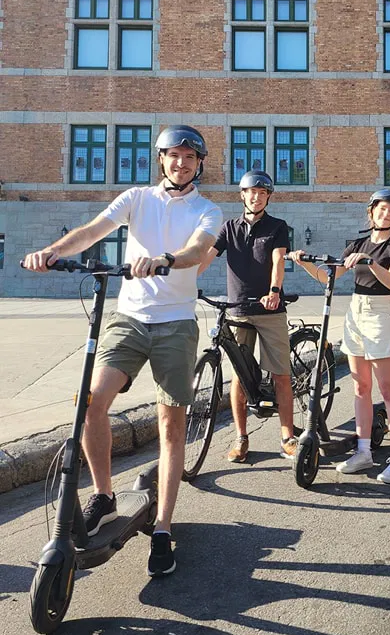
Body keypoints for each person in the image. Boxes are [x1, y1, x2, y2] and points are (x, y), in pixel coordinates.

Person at [22, 125, 223, 576]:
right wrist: (51, 251)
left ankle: (164, 527)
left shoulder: (208, 210)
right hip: (129, 318)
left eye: (189, 157)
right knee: (90, 401)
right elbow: (93, 230)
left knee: (171, 424)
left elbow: (197, 251)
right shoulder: (136, 198)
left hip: (176, 322)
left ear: (199, 164)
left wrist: (166, 259)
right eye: (173, 155)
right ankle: (105, 496)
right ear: (161, 159)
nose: (181, 163)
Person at [288, 189, 390, 484]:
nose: (386, 215)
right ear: (371, 211)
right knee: (361, 386)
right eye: (382, 209)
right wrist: (304, 263)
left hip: (380, 313)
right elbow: (330, 275)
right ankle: (363, 451)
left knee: (388, 388)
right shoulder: (357, 244)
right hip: (356, 312)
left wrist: (369, 262)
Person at [198, 170, 296, 463]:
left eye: (262, 193)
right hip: (238, 310)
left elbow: (278, 260)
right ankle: (241, 438)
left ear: (268, 197)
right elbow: (208, 255)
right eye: (252, 192)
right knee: (239, 377)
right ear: (242, 195)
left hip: (269, 309)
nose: (256, 197)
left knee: (281, 374)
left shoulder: (277, 227)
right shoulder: (229, 228)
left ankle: (287, 437)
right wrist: (185, 280)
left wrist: (274, 290)